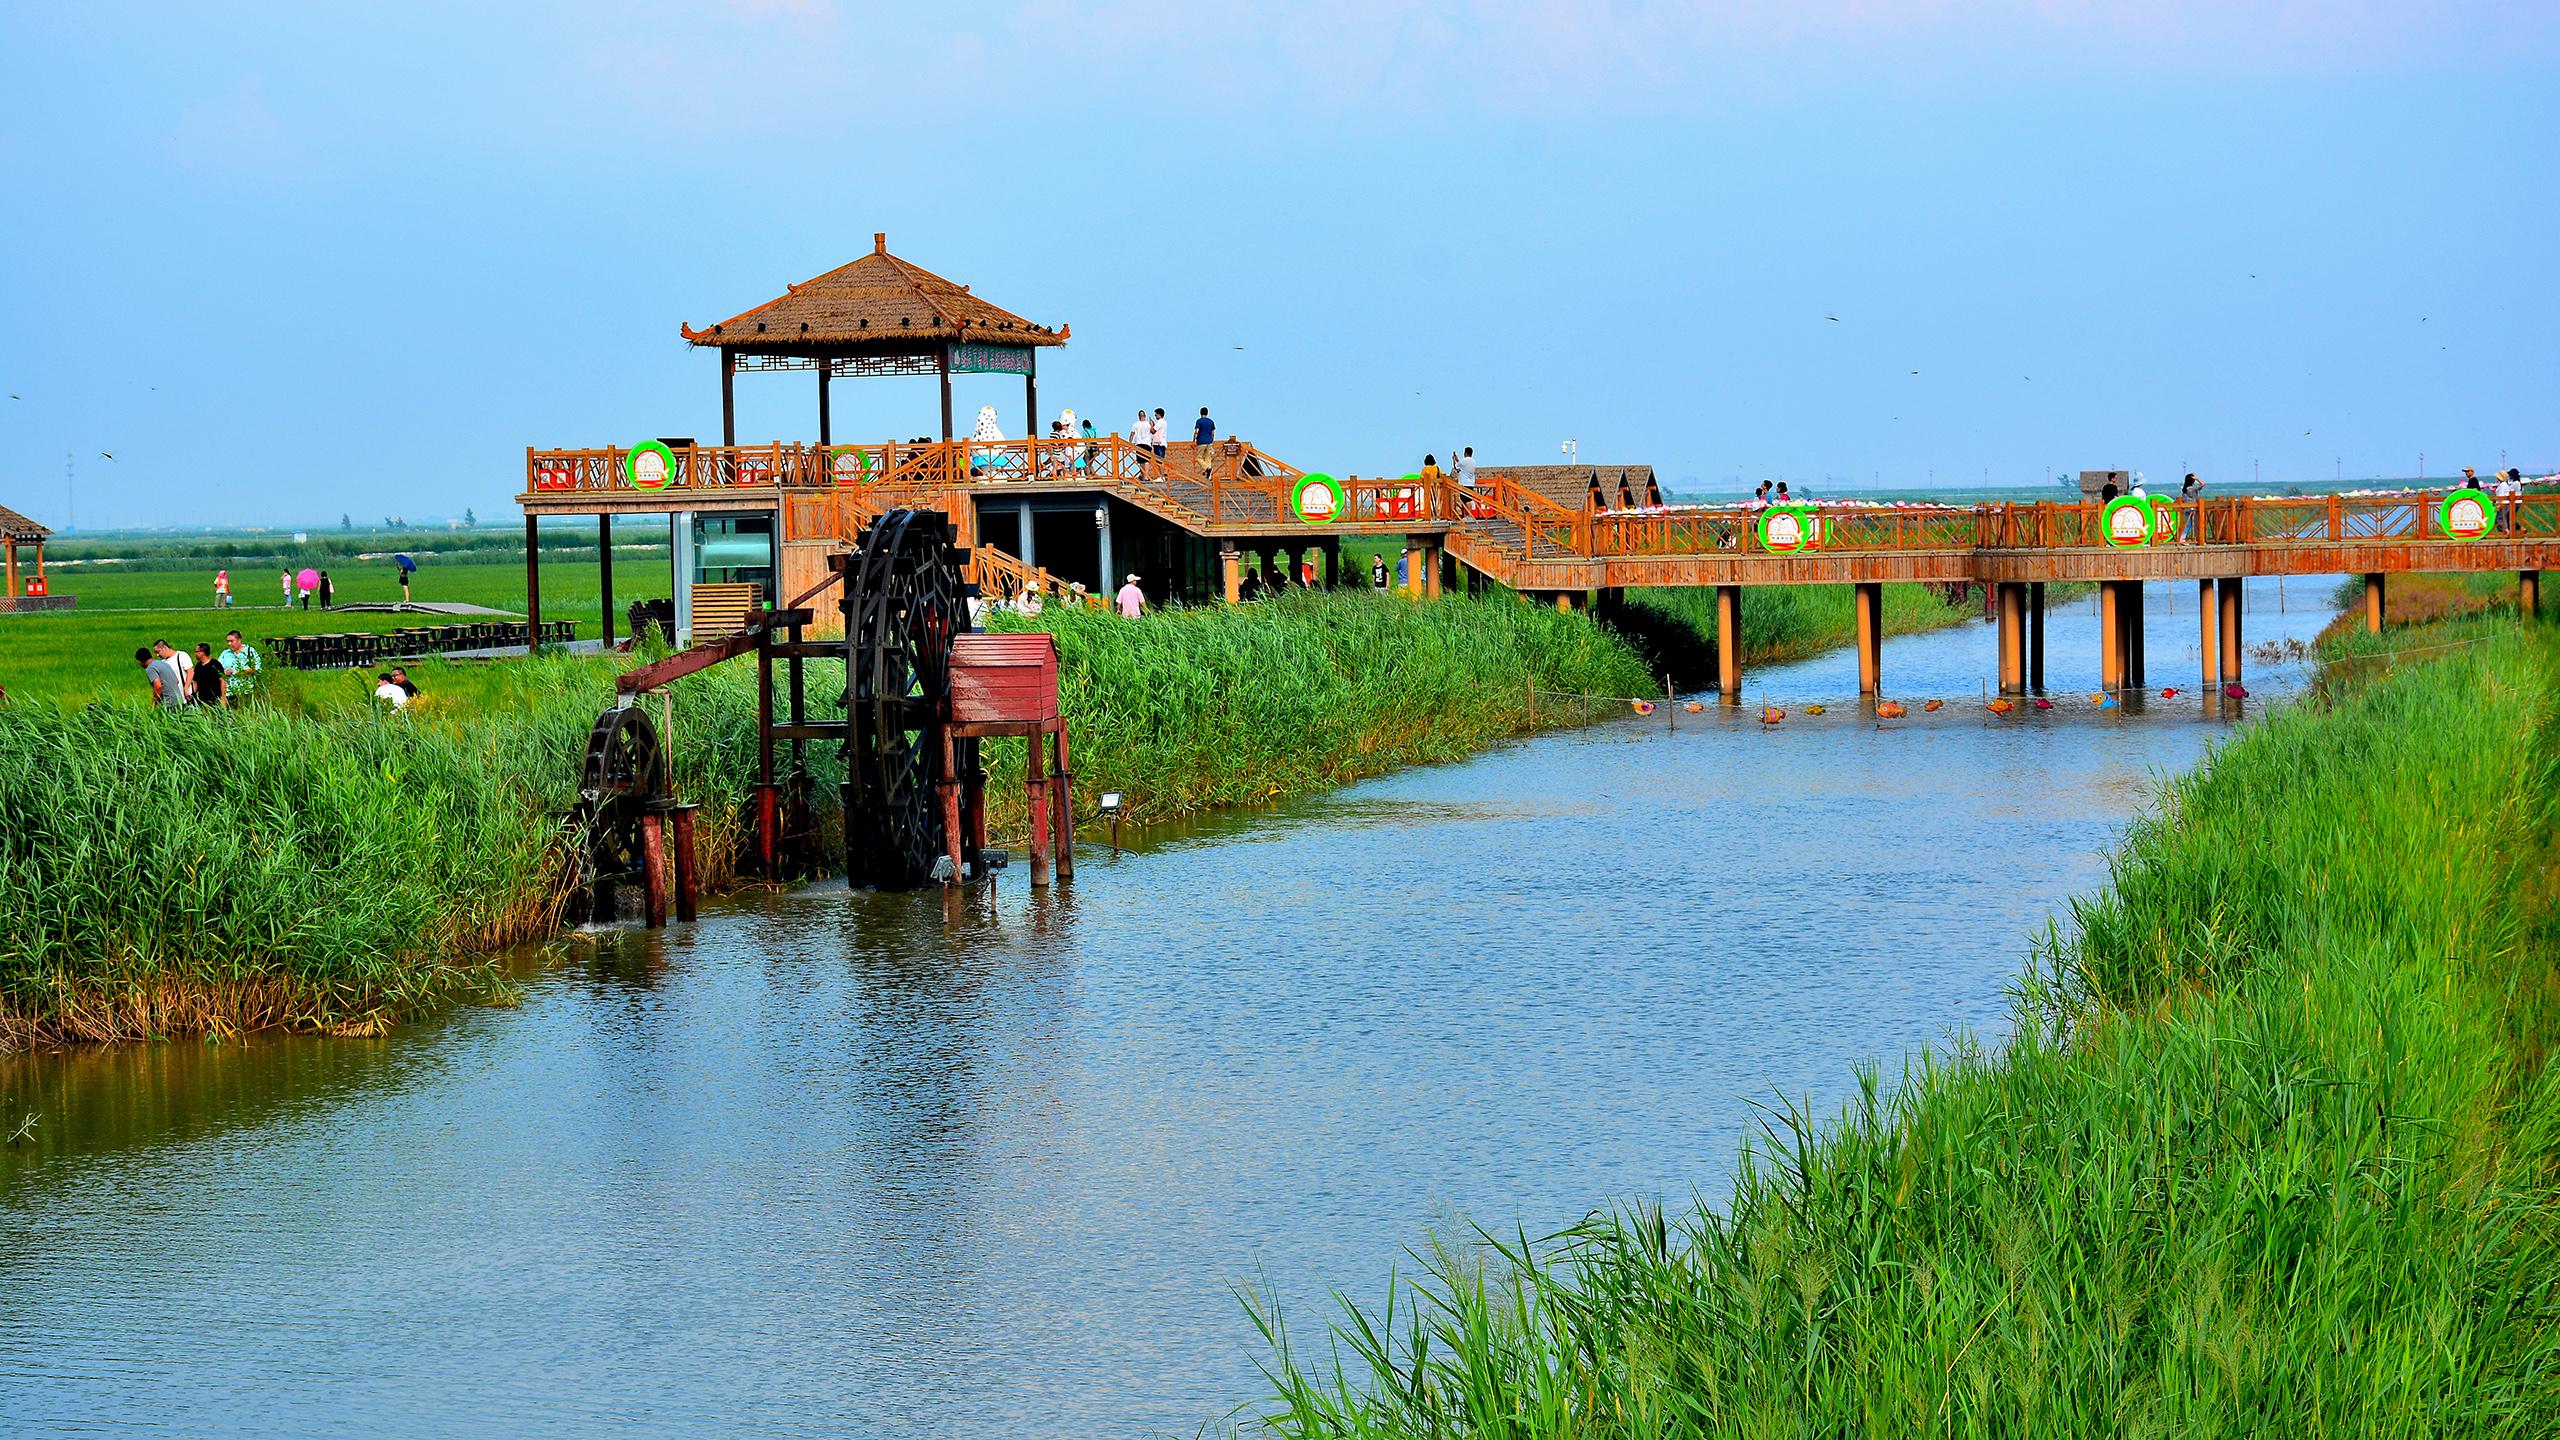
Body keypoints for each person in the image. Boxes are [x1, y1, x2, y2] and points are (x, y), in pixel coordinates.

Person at [218, 630, 261, 702]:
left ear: (239, 640)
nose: (229, 644)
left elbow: (257, 668)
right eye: (228, 641)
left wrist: (243, 672)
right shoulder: (225, 653)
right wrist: (224, 672)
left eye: (232, 641)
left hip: (246, 690)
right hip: (230, 691)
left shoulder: (249, 651)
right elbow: (217, 669)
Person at [138, 646, 182, 710]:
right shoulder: (164, 663)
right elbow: (176, 680)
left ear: (141, 661)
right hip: (179, 700)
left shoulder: (151, 668)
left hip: (168, 703)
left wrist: (153, 704)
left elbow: (158, 687)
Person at [191, 643, 226, 708]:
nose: (195, 654)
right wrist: (193, 694)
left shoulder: (215, 664)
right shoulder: (198, 666)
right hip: (202, 699)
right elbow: (195, 681)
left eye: (196, 652)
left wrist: (223, 697)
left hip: (215, 698)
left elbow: (222, 681)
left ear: (202, 652)